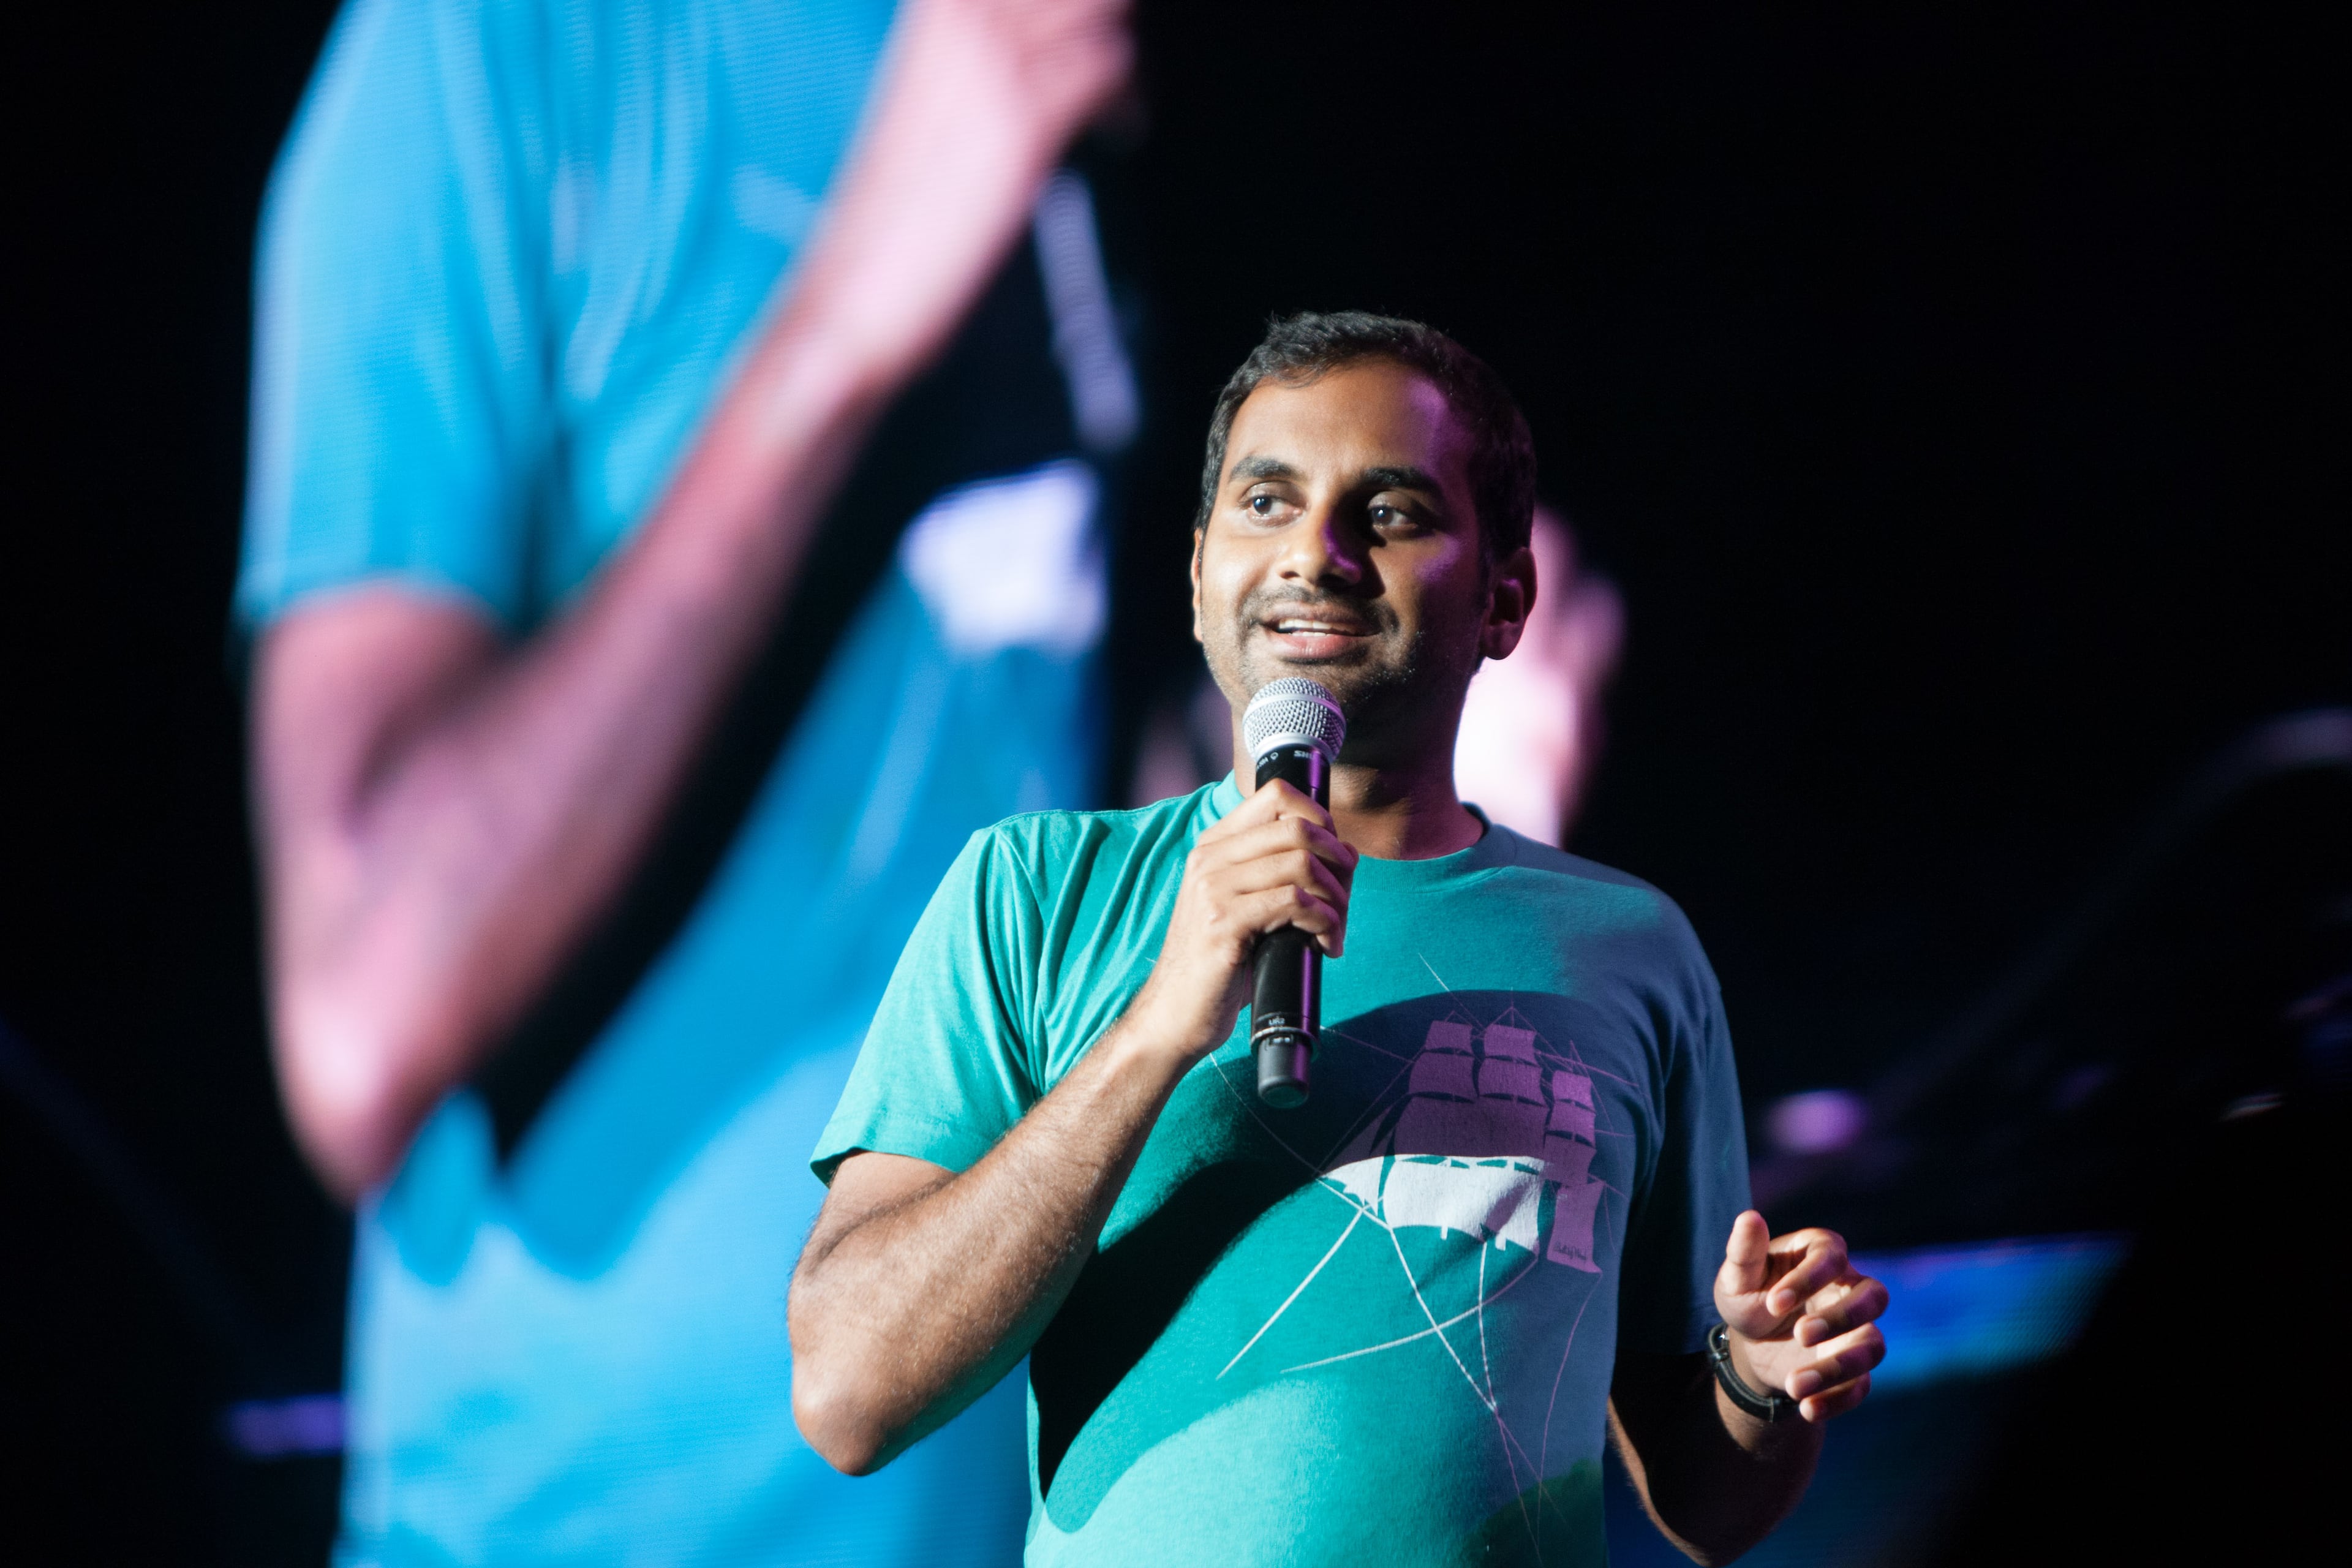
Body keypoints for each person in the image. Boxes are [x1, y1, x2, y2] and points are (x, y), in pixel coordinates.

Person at [239, 0, 1134, 1559]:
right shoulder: (486, 51)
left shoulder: (1083, 87)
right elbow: (360, 1011)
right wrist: (843, 320)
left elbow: (1045, 838)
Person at [790, 312, 1889, 1565]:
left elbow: (1709, 1508)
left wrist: (1758, 1378)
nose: (1315, 553)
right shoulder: (1034, 890)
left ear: (1506, 597)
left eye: (1392, 512)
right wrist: (1159, 1026)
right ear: (1199, 570)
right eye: (1266, 503)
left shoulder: (1632, 951)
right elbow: (850, 1393)